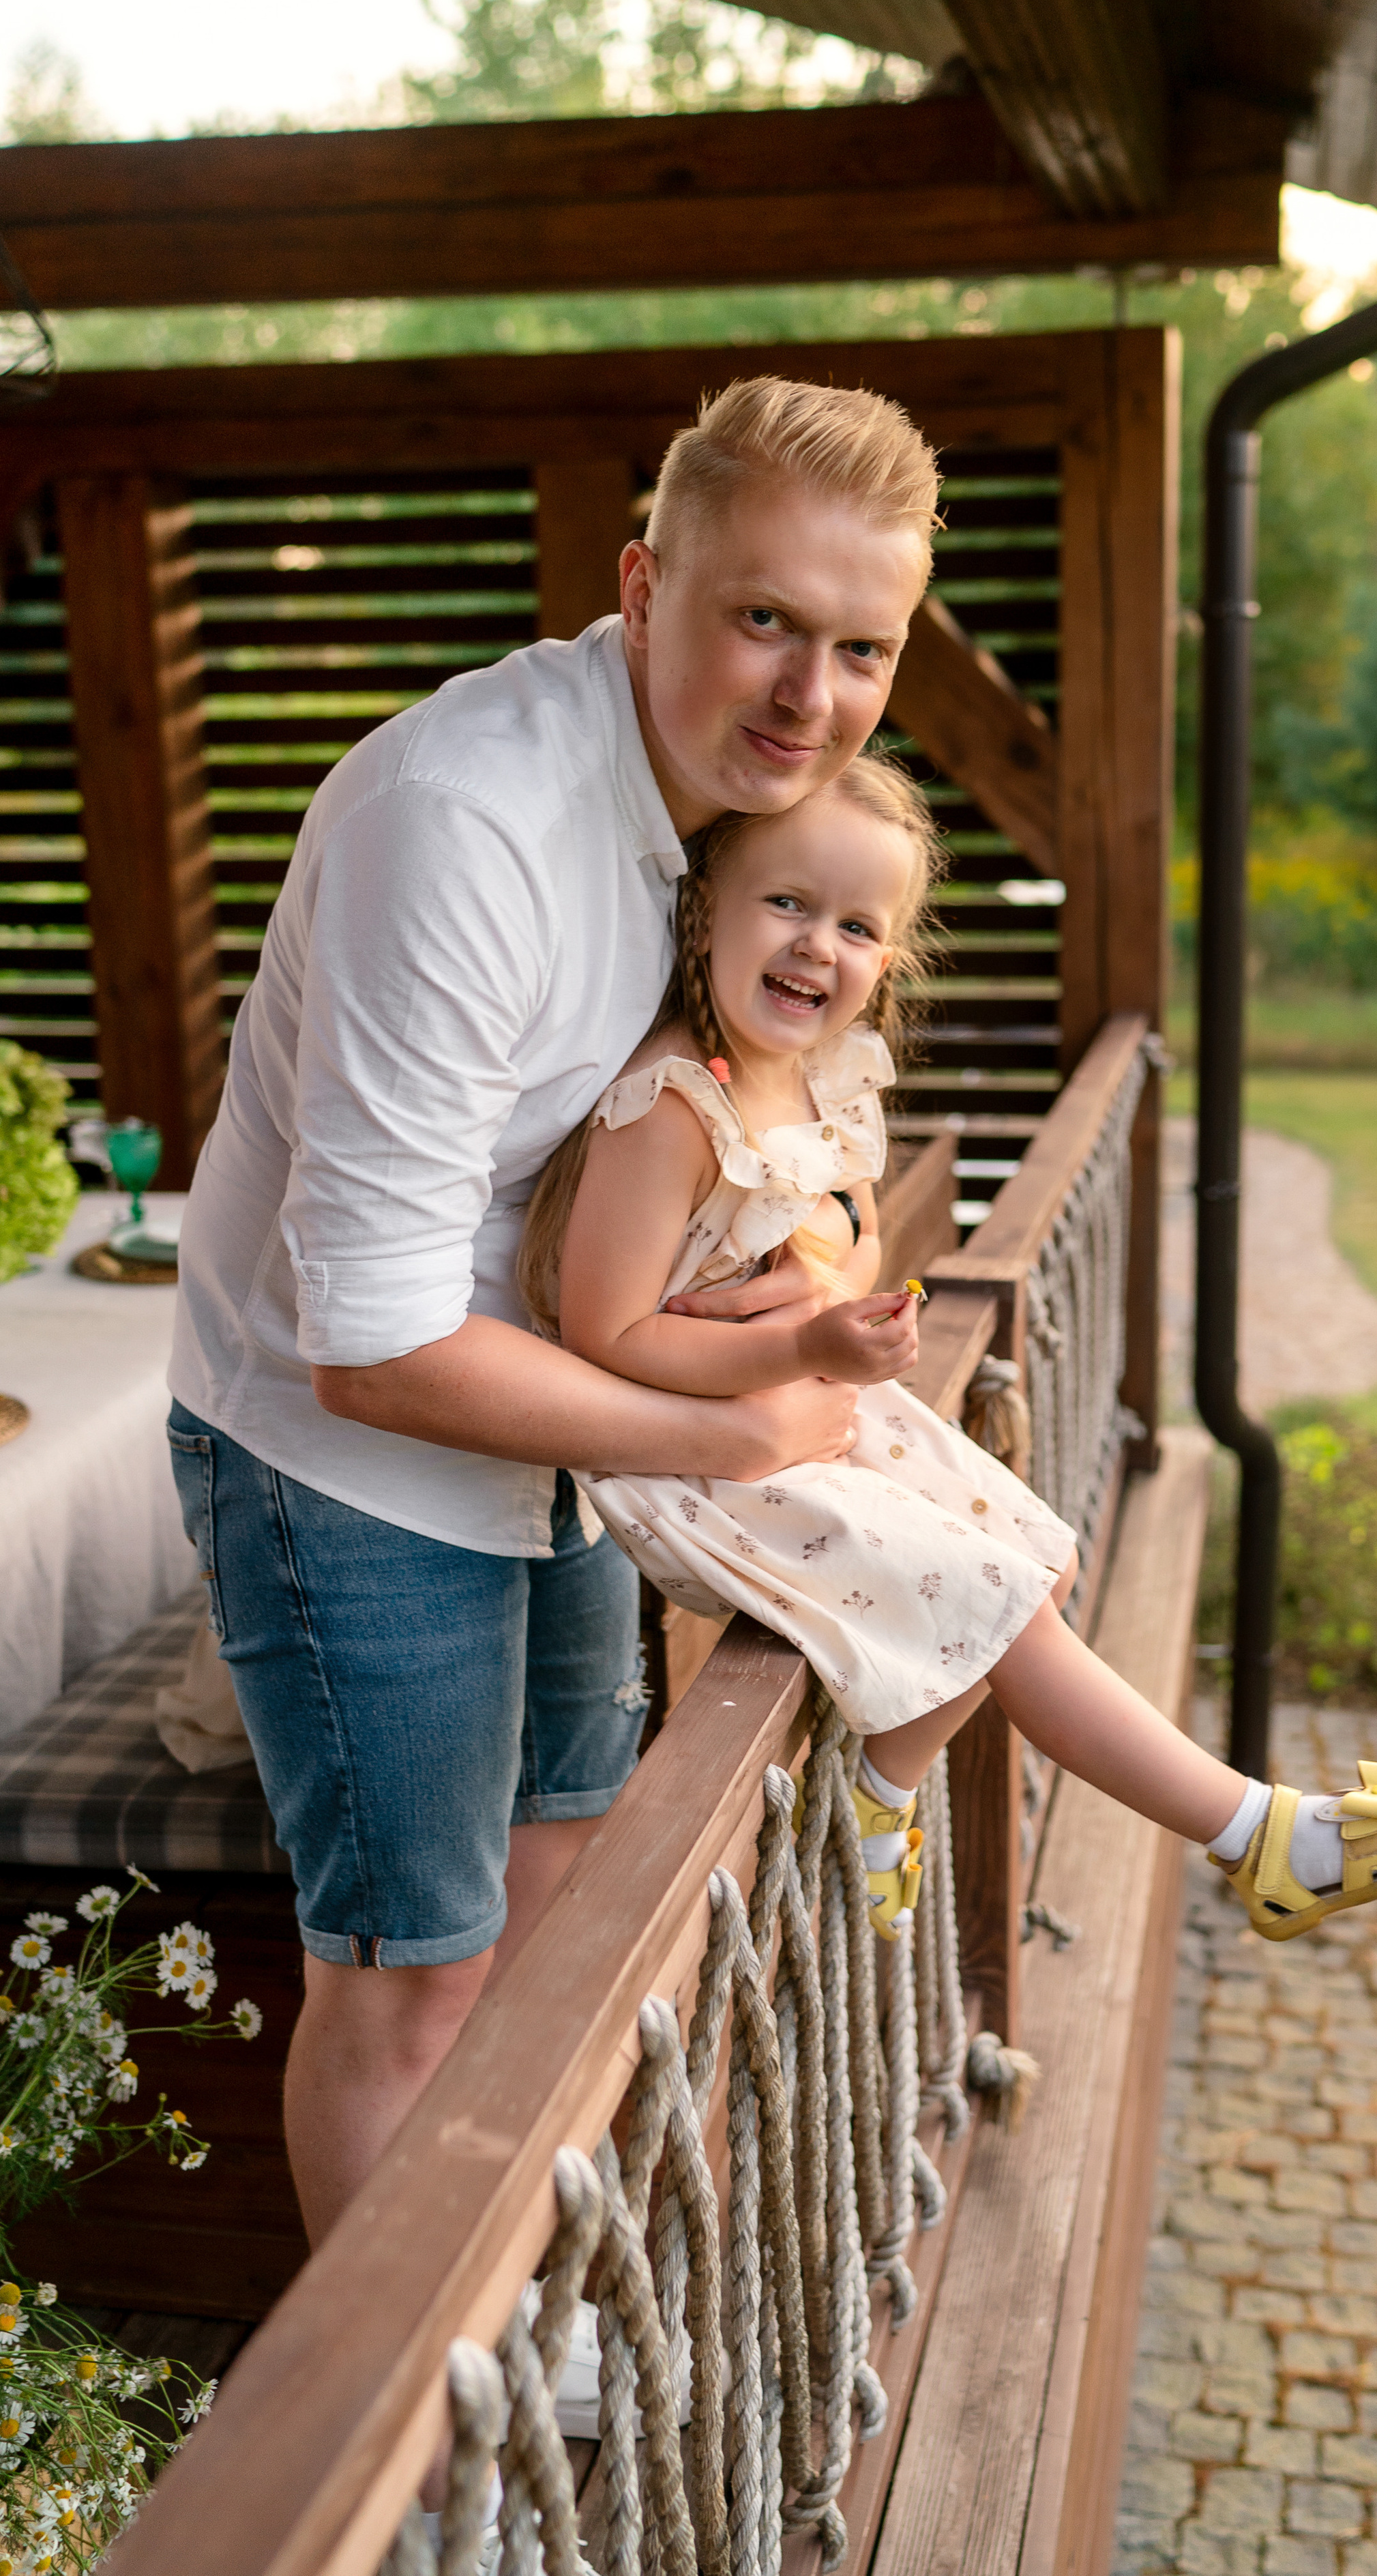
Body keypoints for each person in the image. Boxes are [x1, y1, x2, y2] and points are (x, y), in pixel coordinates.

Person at [164, 377, 942, 2262]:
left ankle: (528, 2307)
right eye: (763, 618)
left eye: (860, 647)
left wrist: (797, 1284)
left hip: (557, 1434)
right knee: (413, 1976)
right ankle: (409, 2455)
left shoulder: (739, 821)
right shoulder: (469, 823)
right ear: (642, 581)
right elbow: (369, 1340)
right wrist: (735, 1432)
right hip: (342, 1458)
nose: (807, 695)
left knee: (566, 1889)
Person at [521, 753, 1377, 1945]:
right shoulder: (670, 1106)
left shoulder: (808, 1077)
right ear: (709, 907)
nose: (819, 946)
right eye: (788, 905)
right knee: (995, 1605)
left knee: (1037, 1564)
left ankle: (881, 1792)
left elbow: (846, 1230)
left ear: (890, 960)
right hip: (685, 1460)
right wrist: (803, 1338)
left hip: (796, 1417)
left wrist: (843, 1300)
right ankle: (1260, 1834)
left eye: (858, 926)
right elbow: (604, 1335)